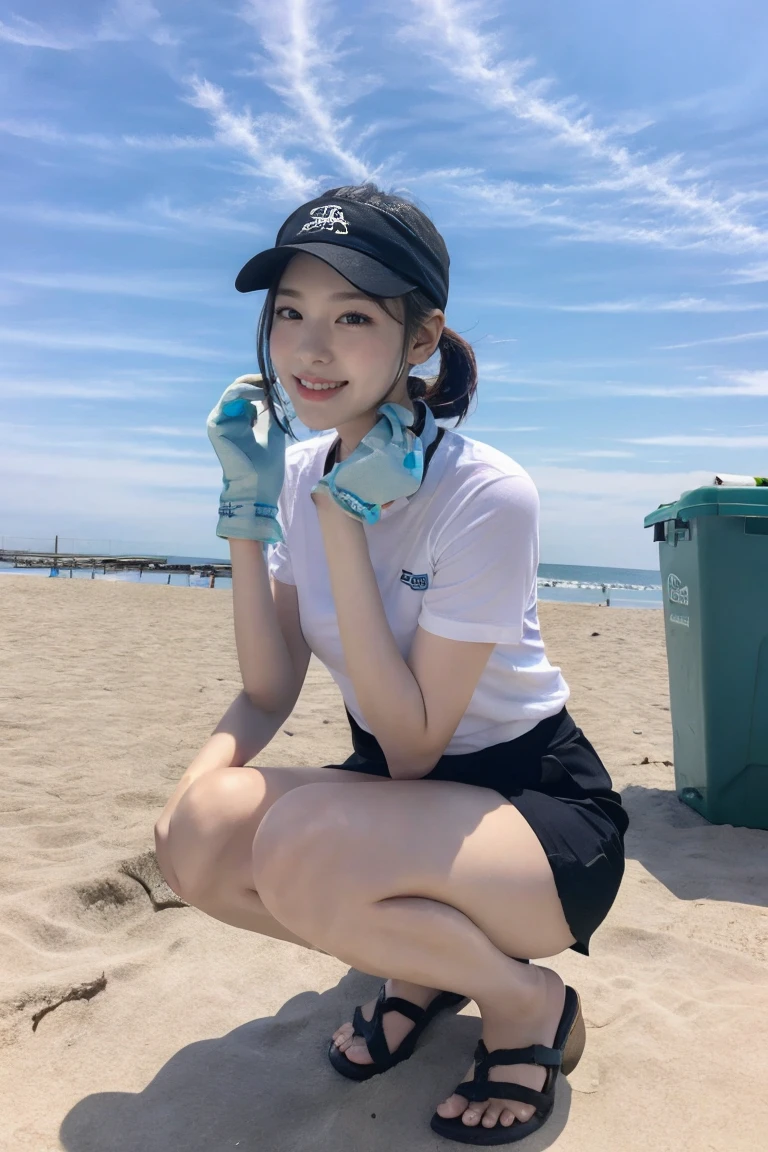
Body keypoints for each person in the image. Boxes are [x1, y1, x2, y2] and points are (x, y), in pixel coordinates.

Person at [154, 183, 629, 1146]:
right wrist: (246, 517)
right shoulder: (294, 473)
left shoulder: (486, 493)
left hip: (532, 810)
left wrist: (342, 519)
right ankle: (419, 961)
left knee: (303, 846)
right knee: (202, 837)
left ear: (421, 339)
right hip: (395, 805)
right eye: (289, 313)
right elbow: (268, 685)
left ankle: (521, 998)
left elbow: (413, 746)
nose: (309, 349)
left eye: (352, 317)